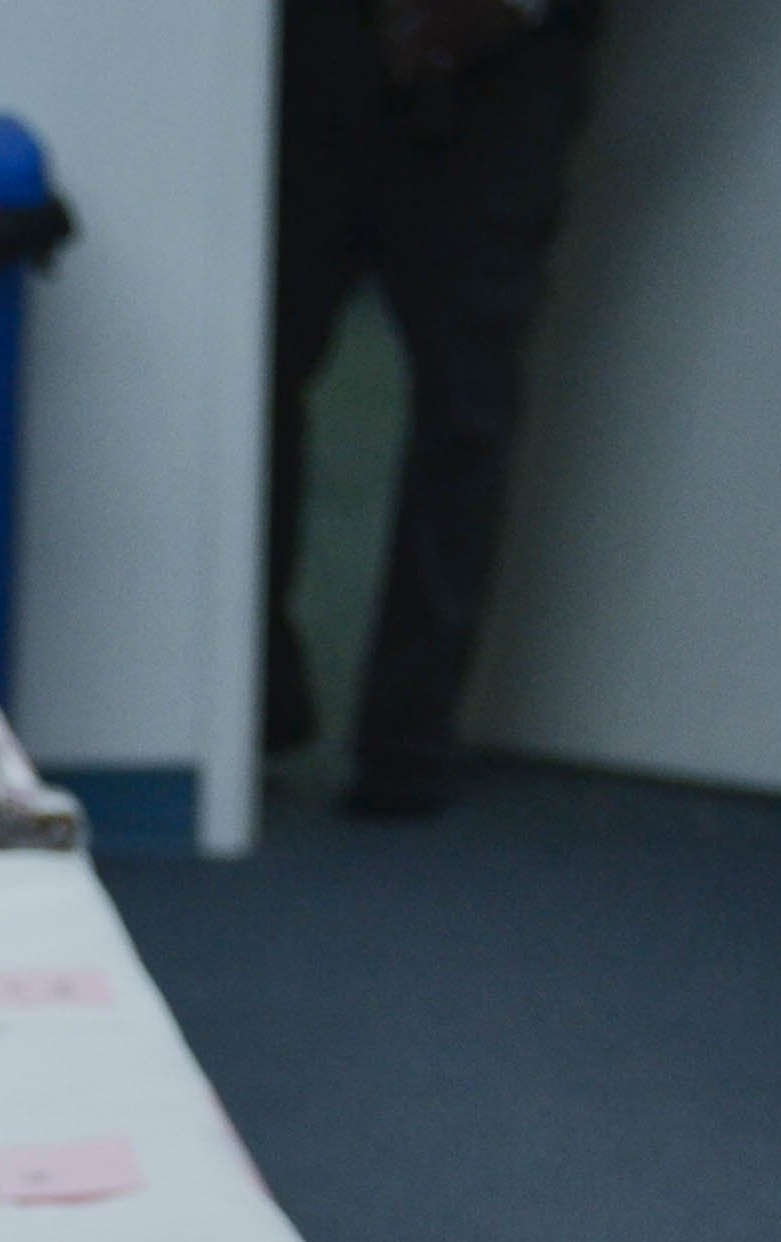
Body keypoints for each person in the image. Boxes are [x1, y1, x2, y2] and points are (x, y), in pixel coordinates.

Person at [267, 0, 607, 817]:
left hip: (514, 61)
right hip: (318, 44)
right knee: (253, 364)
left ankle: (408, 739)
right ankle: (251, 687)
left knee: (467, 401)